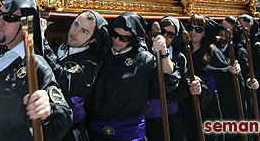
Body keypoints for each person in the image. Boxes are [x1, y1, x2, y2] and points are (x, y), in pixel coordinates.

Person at [0, 0, 73, 141]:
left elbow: (64, 115)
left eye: (9, 17)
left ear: (26, 25)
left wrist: (48, 110)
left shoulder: (36, 66)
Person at [86, 11, 181, 141]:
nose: (117, 40)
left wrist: (164, 54)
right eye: (114, 35)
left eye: (124, 38)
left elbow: (169, 82)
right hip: (96, 130)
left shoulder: (144, 59)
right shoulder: (104, 49)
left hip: (127, 133)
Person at [42, 10, 110, 141]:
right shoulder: (57, 48)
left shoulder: (90, 63)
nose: (75, 32)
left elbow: (63, 80)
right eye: (75, 24)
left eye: (84, 31)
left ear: (92, 40)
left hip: (70, 131)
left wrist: (43, 42)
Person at [145, 17, 204, 141]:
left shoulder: (179, 57)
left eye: (170, 35)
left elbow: (186, 81)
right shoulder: (145, 54)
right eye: (163, 32)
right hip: (147, 120)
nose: (165, 37)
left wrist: (195, 84)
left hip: (171, 119)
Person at [183, 14, 232, 141]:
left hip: (208, 106)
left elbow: (226, 74)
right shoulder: (181, 50)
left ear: (204, 32)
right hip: (187, 106)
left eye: (198, 29)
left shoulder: (211, 52)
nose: (193, 32)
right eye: (190, 28)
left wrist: (235, 70)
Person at [237, 14, 260, 119]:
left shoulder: (256, 46)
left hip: (252, 87)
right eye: (240, 28)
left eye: (246, 30)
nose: (242, 32)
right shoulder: (231, 44)